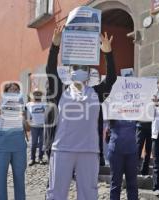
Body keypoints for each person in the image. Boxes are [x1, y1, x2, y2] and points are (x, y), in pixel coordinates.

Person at [44, 26, 116, 200]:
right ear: (69, 72)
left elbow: (111, 78)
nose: (80, 69)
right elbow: (50, 71)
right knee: (56, 193)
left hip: (89, 150)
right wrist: (55, 46)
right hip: (62, 149)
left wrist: (108, 53)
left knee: (89, 193)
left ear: (89, 73)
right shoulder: (60, 91)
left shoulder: (96, 92)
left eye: (84, 67)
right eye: (76, 67)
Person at [0, 82, 30, 200]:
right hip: (1, 147)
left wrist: (23, 118)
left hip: (19, 147)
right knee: (0, 179)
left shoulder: (24, 108)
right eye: (11, 89)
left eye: (16, 90)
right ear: (5, 93)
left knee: (19, 178)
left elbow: (28, 128)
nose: (14, 92)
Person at [108, 120, 138, 200]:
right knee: (115, 184)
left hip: (132, 151)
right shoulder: (112, 108)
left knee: (132, 184)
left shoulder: (135, 109)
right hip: (115, 151)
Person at [26, 90, 46, 166]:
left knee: (42, 143)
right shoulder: (29, 105)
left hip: (43, 126)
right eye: (35, 94)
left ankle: (40, 158)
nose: (37, 95)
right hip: (34, 127)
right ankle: (32, 158)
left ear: (41, 95)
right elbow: (26, 114)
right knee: (33, 143)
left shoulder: (45, 104)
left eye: (39, 94)